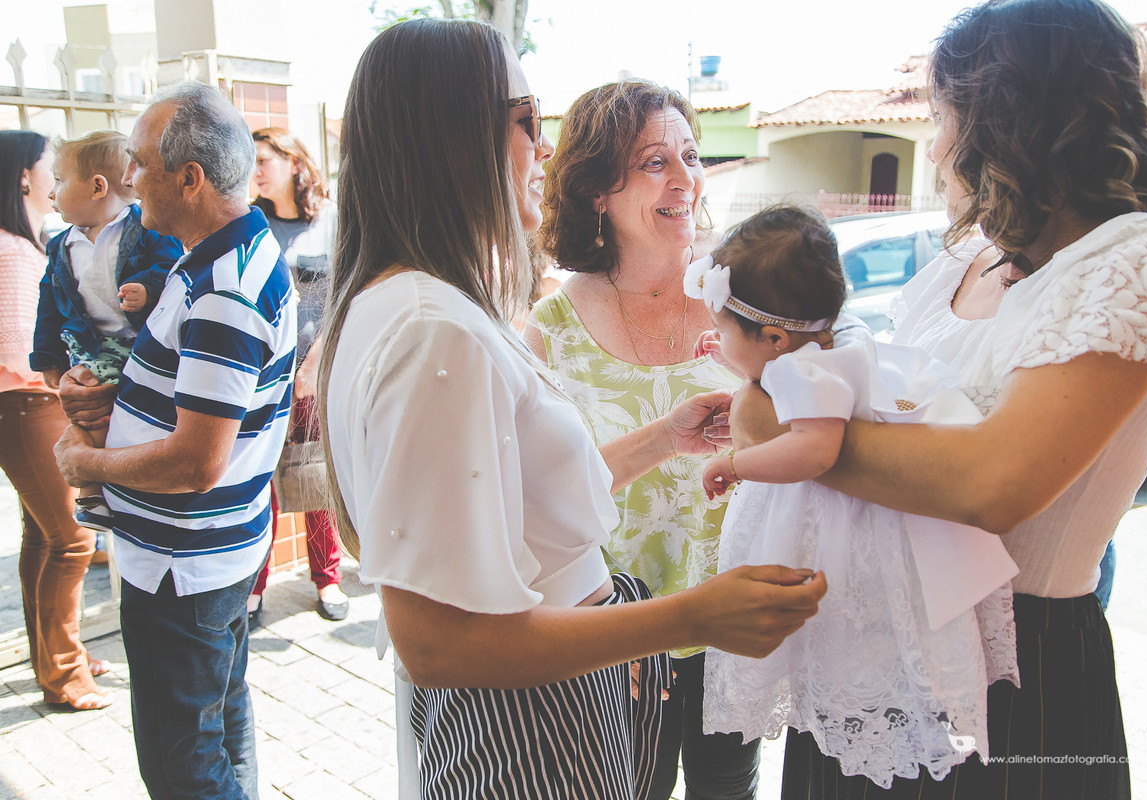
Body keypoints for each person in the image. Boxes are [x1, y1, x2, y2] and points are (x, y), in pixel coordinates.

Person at [318, 19, 828, 800]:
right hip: (530, 718)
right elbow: (438, 644)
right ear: (454, 134)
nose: (544, 148)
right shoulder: (434, 330)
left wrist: (660, 438)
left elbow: (520, 502)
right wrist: (690, 619)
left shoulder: (411, 306)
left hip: (547, 691)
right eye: (526, 121)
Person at [727, 1, 1147, 797]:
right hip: (874, 651)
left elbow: (994, 483)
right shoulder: (966, 262)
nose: (939, 145)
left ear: (1005, 120)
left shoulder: (1146, 258)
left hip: (1018, 666)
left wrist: (787, 428)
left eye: (944, 116)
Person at [688, 204, 1017, 788]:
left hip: (850, 534)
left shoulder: (803, 374)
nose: (717, 339)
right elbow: (771, 365)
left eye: (725, 332)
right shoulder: (832, 341)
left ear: (773, 337)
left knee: (843, 644)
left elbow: (816, 452)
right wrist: (729, 354)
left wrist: (735, 462)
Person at [53, 82, 296, 800]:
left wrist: (85, 461)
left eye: (138, 161)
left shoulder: (225, 287)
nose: (127, 178)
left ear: (188, 178)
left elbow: (197, 461)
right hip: (209, 553)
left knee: (182, 765)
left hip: (180, 566)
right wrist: (121, 393)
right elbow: (206, 391)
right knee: (221, 723)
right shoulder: (226, 255)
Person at [525, 80, 750, 800]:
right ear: (596, 191)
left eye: (690, 155)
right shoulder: (549, 332)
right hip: (618, 642)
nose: (685, 179)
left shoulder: (745, 297)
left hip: (732, 626)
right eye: (656, 162)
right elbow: (541, 504)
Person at [0, 129, 112, 711]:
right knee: (71, 539)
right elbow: (22, 346)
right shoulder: (14, 250)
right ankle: (64, 674)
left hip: (21, 404)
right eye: (51, 168)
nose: (53, 181)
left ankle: (54, 656)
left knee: (42, 538)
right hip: (27, 403)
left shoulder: (25, 244)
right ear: (24, 175)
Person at [30, 130, 182, 531]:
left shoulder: (145, 231)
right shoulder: (62, 245)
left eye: (60, 182)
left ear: (98, 187)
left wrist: (147, 287)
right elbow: (49, 303)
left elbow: (174, 266)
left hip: (140, 342)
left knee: (117, 413)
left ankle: (111, 485)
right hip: (92, 345)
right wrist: (47, 357)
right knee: (88, 407)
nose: (51, 194)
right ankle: (93, 493)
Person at [247, 127, 345, 625]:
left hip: (311, 373)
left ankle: (327, 581)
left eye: (264, 160)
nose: (256, 170)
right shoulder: (250, 223)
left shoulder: (329, 220)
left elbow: (341, 297)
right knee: (258, 480)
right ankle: (254, 587)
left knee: (313, 479)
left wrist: (313, 365)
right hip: (261, 376)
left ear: (293, 162)